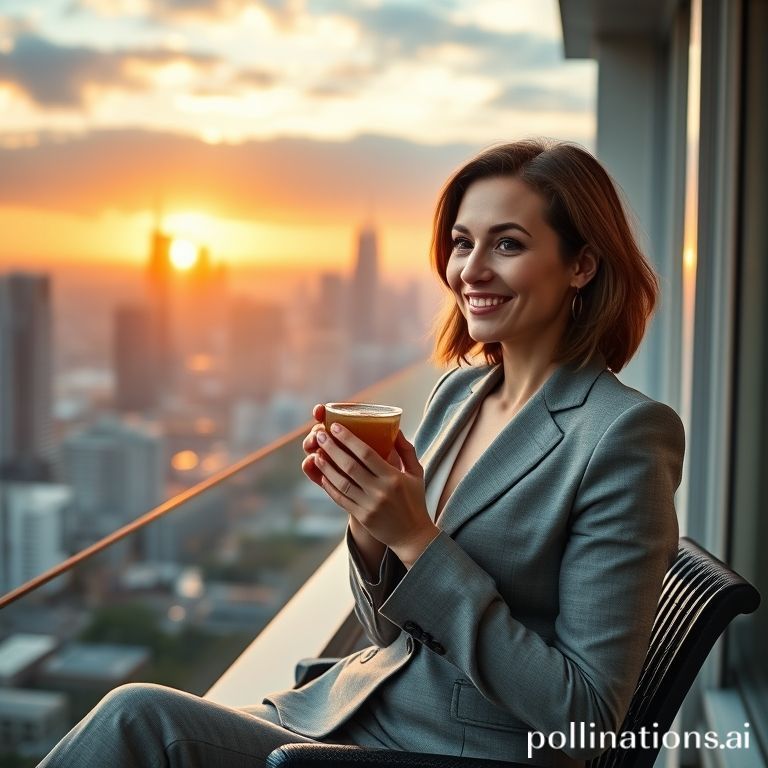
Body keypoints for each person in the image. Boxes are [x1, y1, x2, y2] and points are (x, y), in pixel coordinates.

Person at [37, 139, 684, 768]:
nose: (471, 269)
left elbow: (590, 720)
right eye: (462, 243)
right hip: (351, 710)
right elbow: (389, 634)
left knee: (138, 719)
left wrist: (418, 541)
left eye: (508, 244)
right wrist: (371, 528)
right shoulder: (461, 393)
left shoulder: (623, 435)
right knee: (140, 723)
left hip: (445, 753)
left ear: (582, 265)